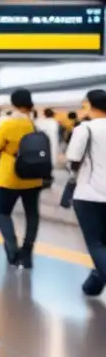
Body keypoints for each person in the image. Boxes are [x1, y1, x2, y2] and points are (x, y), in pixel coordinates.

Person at [0, 89, 43, 269]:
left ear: (13, 103)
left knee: (2, 212)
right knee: (32, 214)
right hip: (33, 176)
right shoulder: (35, 123)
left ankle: (12, 249)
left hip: (9, 176)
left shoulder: (6, 123)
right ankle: (27, 253)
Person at [66, 90, 106, 296]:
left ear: (90, 105)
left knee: (96, 243)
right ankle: (92, 286)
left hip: (89, 194)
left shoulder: (85, 129)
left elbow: (73, 159)